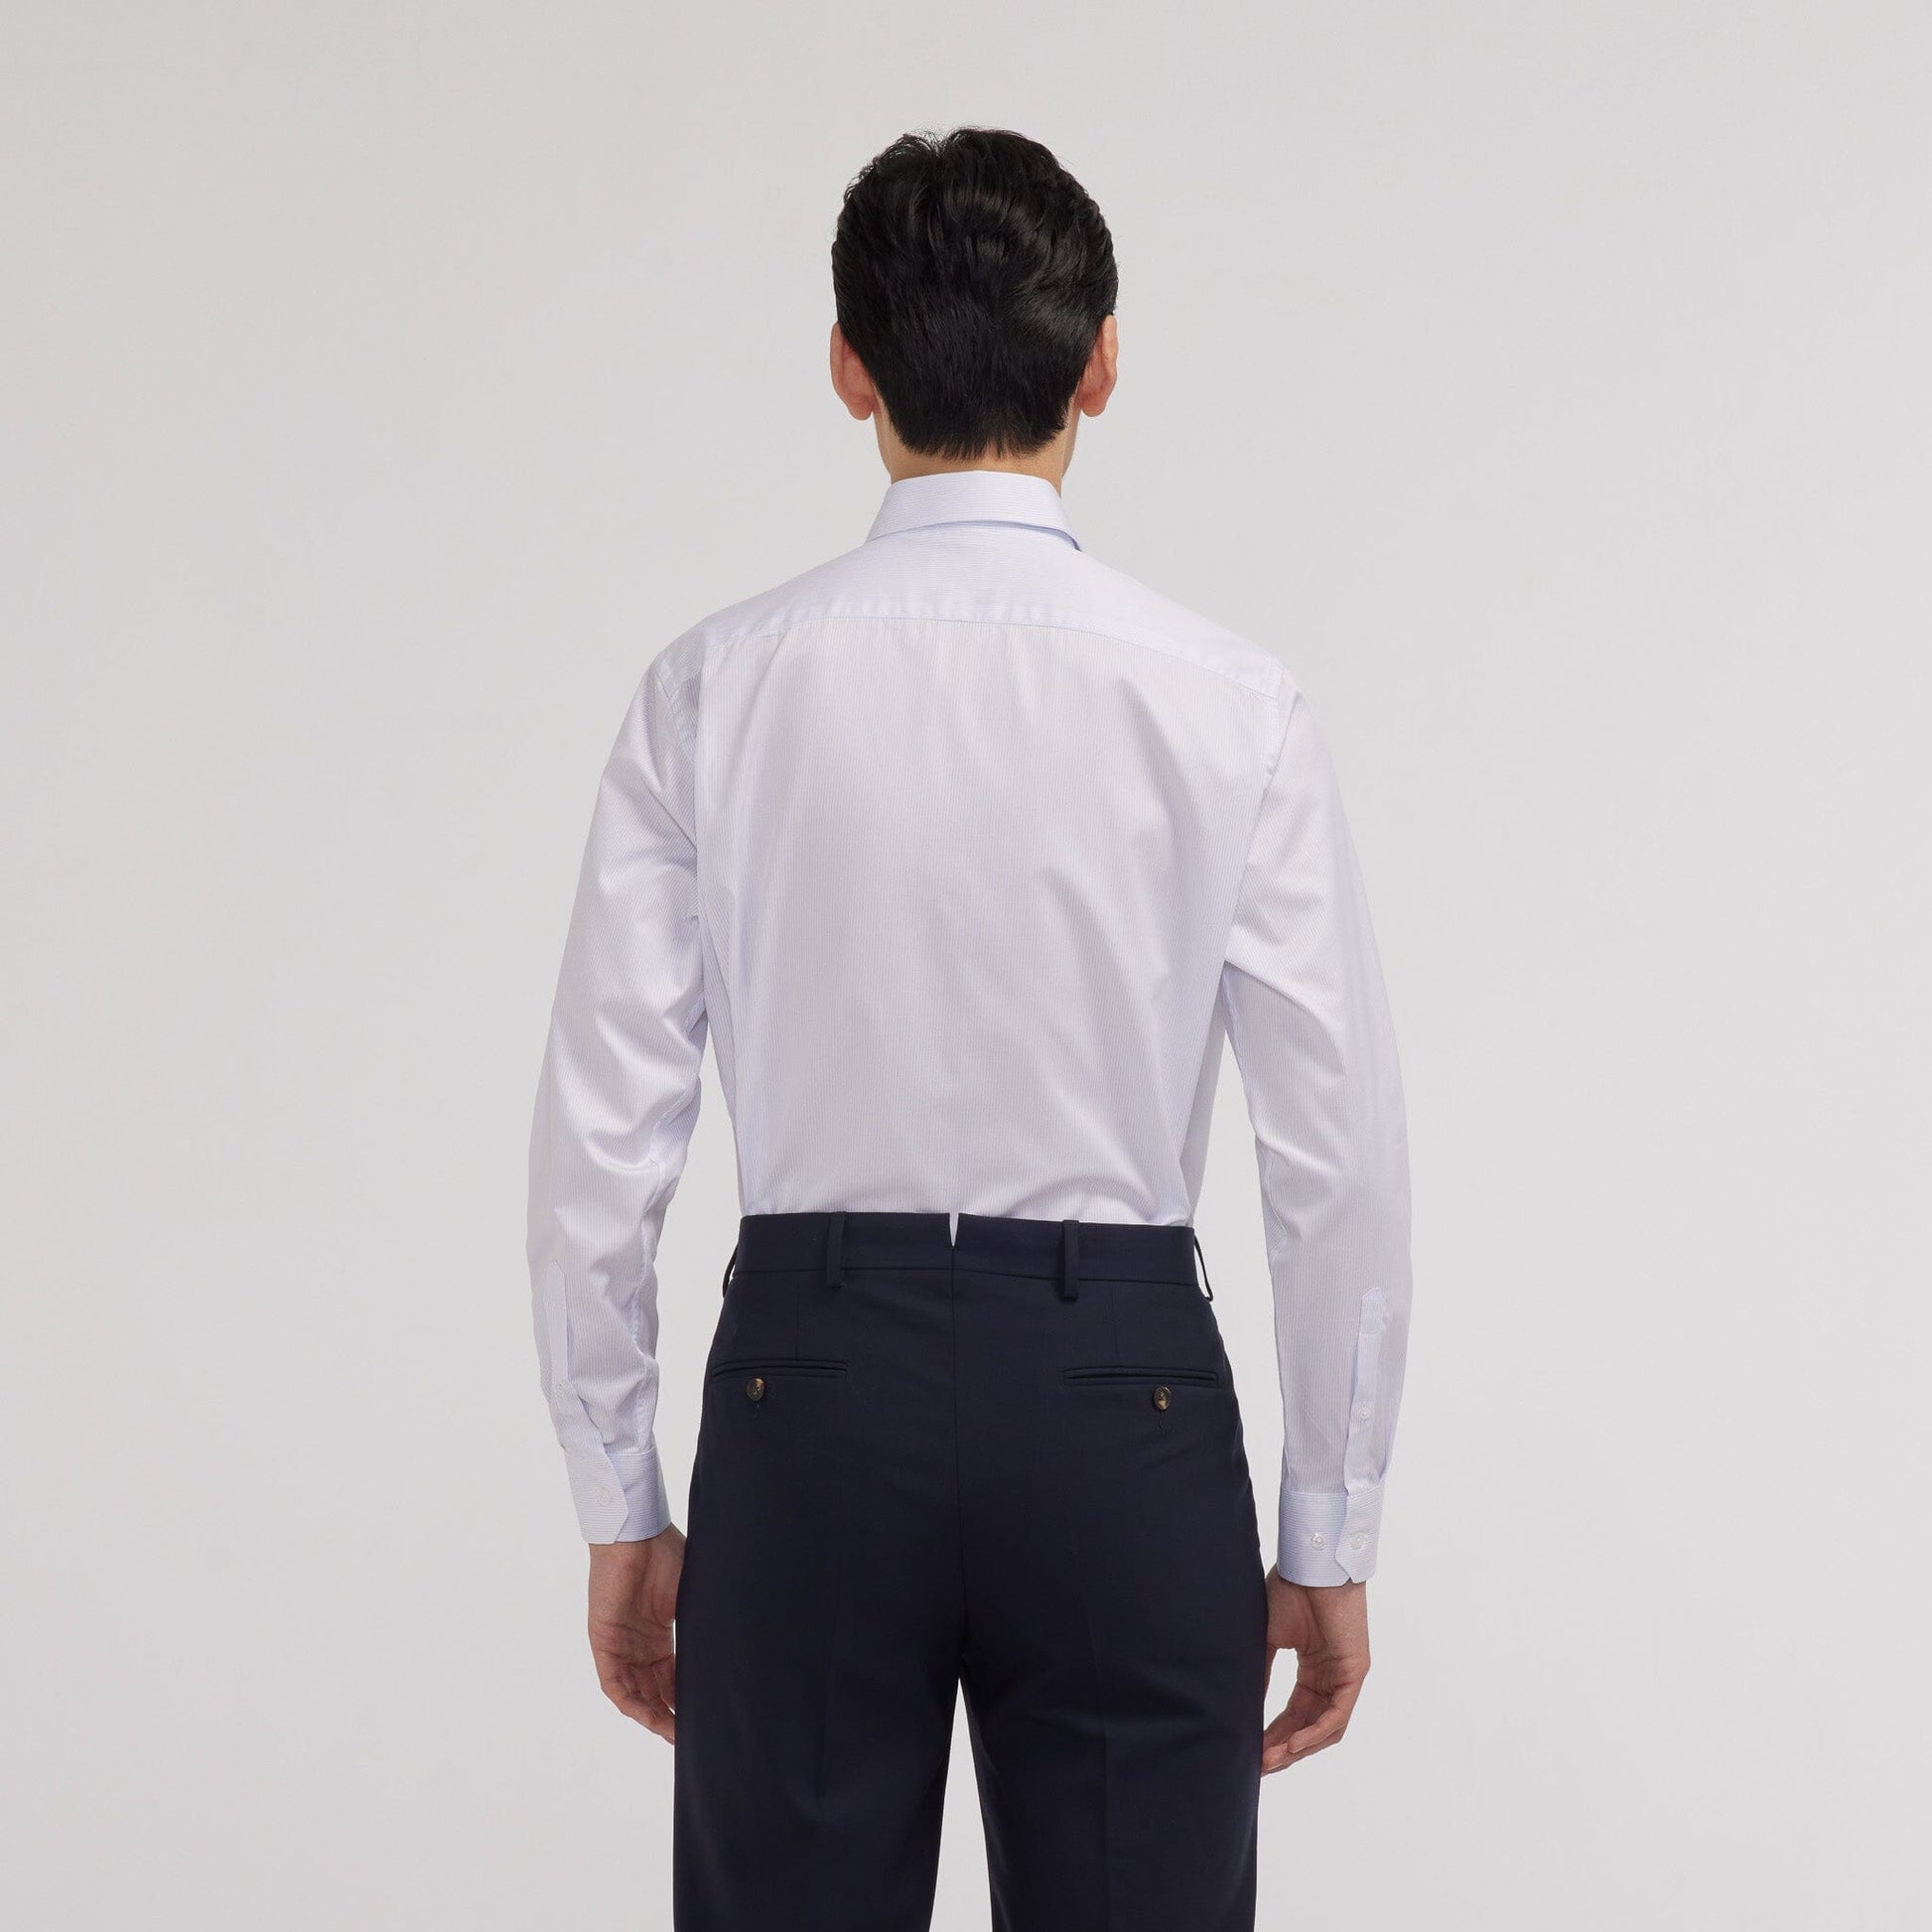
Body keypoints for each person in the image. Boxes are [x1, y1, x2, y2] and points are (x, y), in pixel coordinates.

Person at [526, 126, 1413, 1932]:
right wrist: (1326, 1526)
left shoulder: (712, 689)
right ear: (1103, 364)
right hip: (1120, 1409)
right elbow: (1336, 1159)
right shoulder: (1229, 703)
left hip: (806, 1397)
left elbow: (600, 1140)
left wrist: (620, 1492)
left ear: (846, 365)